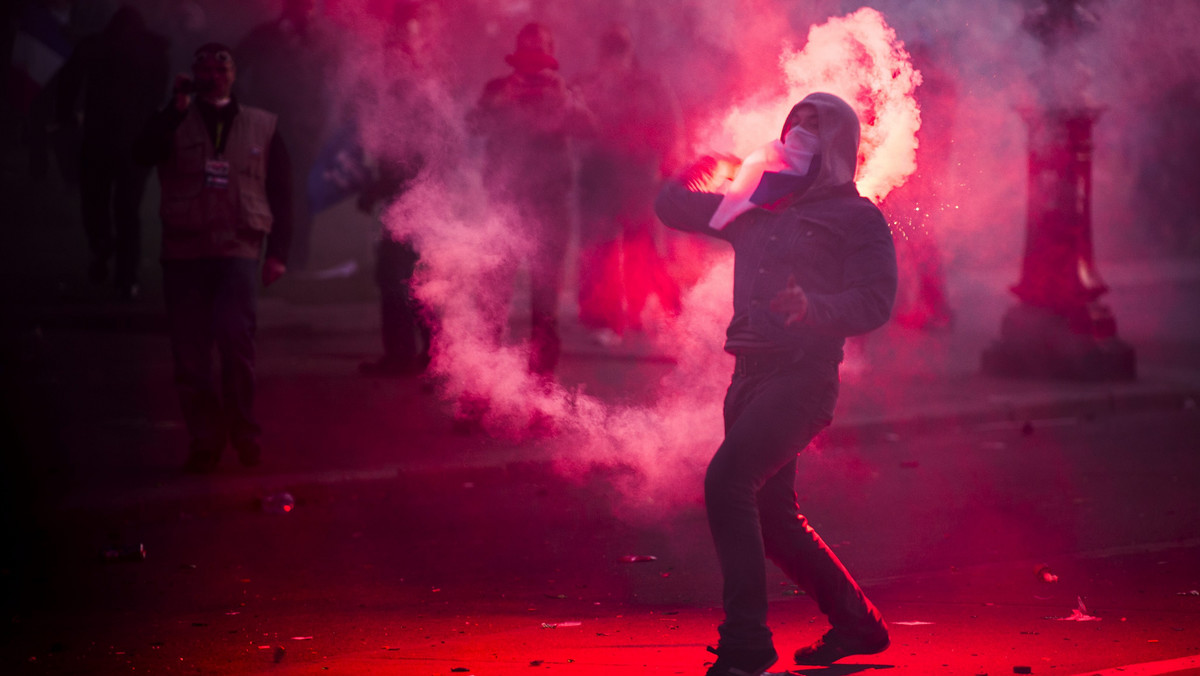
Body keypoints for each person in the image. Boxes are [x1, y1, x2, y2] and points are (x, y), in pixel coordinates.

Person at [654, 92, 897, 676]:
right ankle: (856, 622)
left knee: (727, 481)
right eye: (796, 123)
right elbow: (673, 208)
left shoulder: (858, 218)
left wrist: (813, 308)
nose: (801, 133)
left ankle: (746, 640)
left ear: (840, 144)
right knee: (771, 514)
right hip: (747, 378)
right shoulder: (759, 207)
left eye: (816, 125)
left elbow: (875, 300)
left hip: (802, 379)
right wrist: (695, 170)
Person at [133, 43, 293, 474]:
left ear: (234, 74)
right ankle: (204, 441)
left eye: (220, 69)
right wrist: (173, 107)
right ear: (192, 75)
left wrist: (278, 253)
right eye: (204, 69)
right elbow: (141, 153)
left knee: (236, 343)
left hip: (238, 250)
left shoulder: (262, 125)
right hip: (185, 251)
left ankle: (244, 434)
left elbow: (281, 190)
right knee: (190, 354)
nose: (213, 76)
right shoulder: (176, 120)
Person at [466, 21, 593, 378]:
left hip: (551, 207)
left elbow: (590, 130)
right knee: (491, 303)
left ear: (551, 54)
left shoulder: (562, 89)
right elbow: (473, 125)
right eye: (528, 49)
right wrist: (502, 100)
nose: (534, 59)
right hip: (505, 205)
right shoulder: (498, 88)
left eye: (541, 49)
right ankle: (481, 391)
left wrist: (566, 103)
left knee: (545, 309)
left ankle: (540, 398)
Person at [572, 24, 683, 343]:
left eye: (620, 49)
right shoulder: (587, 83)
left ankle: (645, 313)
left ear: (630, 51)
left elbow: (670, 124)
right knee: (598, 252)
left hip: (637, 176)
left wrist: (667, 164)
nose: (615, 56)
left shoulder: (649, 84)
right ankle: (602, 319)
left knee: (643, 248)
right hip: (598, 174)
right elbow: (570, 122)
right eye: (610, 49)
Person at [57, 5, 170, 298]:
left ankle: (103, 243)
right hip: (136, 143)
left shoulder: (96, 47)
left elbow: (68, 82)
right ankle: (126, 276)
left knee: (94, 200)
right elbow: (159, 92)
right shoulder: (155, 51)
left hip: (99, 138)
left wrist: (67, 114)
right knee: (127, 210)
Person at [235, 0, 334, 271]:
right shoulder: (268, 36)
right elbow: (236, 67)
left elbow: (330, 81)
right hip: (272, 126)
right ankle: (278, 252)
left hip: (298, 129)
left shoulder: (316, 40)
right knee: (266, 189)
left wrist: (318, 116)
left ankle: (293, 254)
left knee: (296, 192)